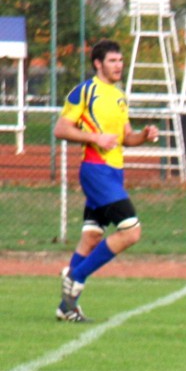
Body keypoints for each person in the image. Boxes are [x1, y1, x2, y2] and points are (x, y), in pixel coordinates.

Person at [53, 39, 159, 322]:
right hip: (96, 170)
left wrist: (143, 135)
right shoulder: (85, 91)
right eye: (113, 61)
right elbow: (61, 129)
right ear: (98, 63)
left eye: (121, 61)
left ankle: (66, 308)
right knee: (131, 231)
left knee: (91, 237)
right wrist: (95, 137)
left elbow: (126, 137)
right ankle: (77, 276)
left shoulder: (119, 95)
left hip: (114, 173)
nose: (118, 66)